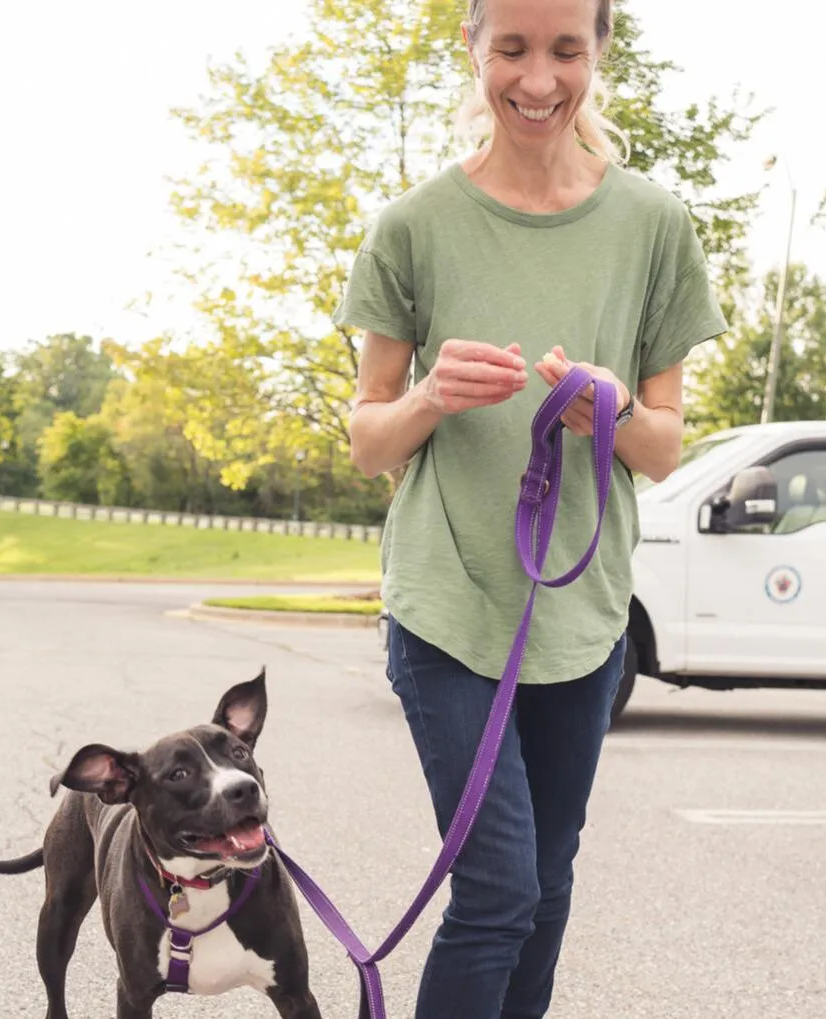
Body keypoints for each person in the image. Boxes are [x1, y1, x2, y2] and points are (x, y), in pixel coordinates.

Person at [332, 0, 729, 1017]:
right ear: (470, 49)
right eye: (510, 48)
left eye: (564, 49)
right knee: (499, 886)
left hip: (581, 611)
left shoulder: (651, 224)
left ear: (598, 51)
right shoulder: (412, 225)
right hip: (448, 602)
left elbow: (662, 442)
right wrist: (426, 395)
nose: (538, 80)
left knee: (545, 891)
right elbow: (368, 439)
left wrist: (608, 404)